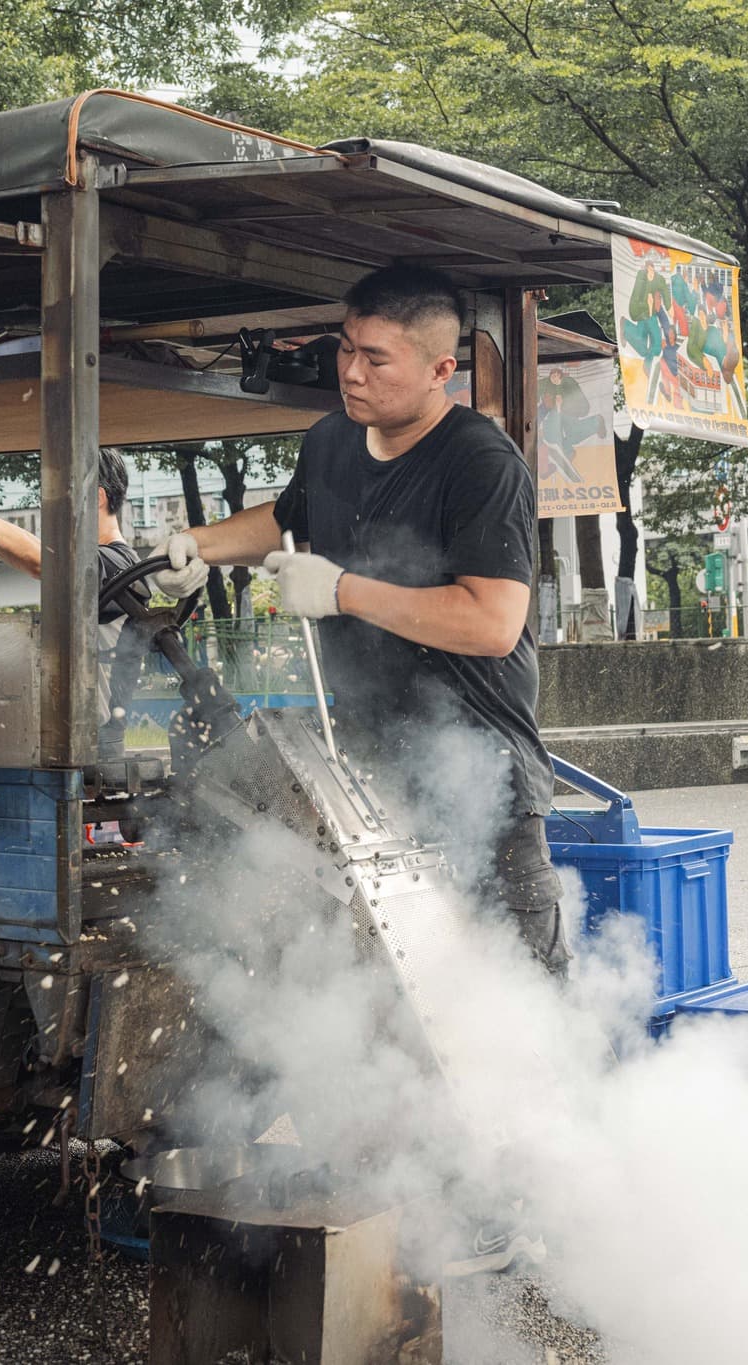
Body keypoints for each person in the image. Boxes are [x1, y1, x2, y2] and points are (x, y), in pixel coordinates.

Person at [148, 264, 568, 974]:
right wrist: (199, 544)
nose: (351, 372)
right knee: (386, 998)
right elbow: (289, 520)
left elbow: (492, 622)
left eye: (376, 358)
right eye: (346, 348)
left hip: (481, 784)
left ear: (440, 370)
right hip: (365, 780)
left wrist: (343, 590)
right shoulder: (332, 441)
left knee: (519, 997)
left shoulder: (480, 462)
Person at [0, 449, 147, 763]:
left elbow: (43, 561)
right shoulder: (106, 565)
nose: (48, 507)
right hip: (74, 745)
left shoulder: (119, 566)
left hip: (92, 751)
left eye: (61, 495)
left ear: (96, 498)